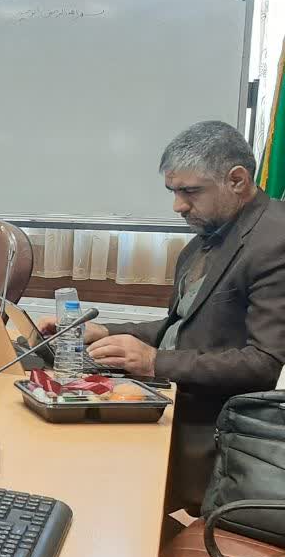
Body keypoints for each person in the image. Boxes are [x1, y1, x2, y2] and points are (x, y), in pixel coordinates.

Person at [37, 121, 285, 513]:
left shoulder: (275, 240)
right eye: (173, 191)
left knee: (92, 482)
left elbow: (265, 363)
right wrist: (103, 330)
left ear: (237, 180)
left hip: (213, 430)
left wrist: (155, 362)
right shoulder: (209, 237)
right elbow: (183, 325)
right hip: (171, 399)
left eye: (190, 192)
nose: (178, 206)